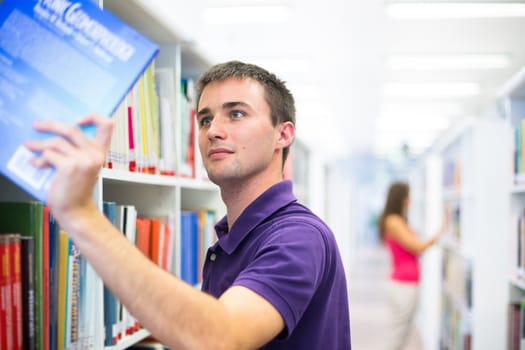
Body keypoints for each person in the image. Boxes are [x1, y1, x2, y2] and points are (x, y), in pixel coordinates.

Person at [27, 60, 351, 349]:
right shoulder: (232, 235)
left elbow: (221, 338)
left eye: (236, 114)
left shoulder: (298, 237)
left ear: (283, 135)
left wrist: (81, 213)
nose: (214, 131)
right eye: (205, 119)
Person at [378, 181, 449, 350]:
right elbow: (417, 248)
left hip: (406, 284)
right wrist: (441, 230)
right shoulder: (394, 221)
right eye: (408, 196)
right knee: (397, 336)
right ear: (401, 198)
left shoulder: (397, 220)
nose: (410, 200)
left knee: (401, 334)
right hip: (403, 286)